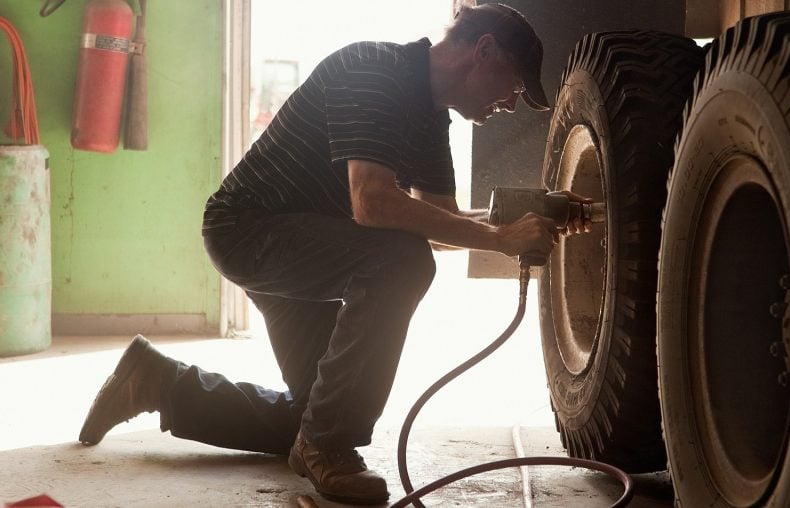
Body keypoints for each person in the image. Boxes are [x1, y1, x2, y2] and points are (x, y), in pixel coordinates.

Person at [77, 4, 582, 505]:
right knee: (401, 262)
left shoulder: (429, 116)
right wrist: (500, 239)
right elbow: (373, 202)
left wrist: (533, 217)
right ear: (484, 51)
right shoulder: (375, 71)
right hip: (250, 233)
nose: (511, 104)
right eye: (514, 85)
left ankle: (156, 383)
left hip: (310, 245)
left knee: (315, 411)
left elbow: (443, 223)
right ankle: (327, 447)